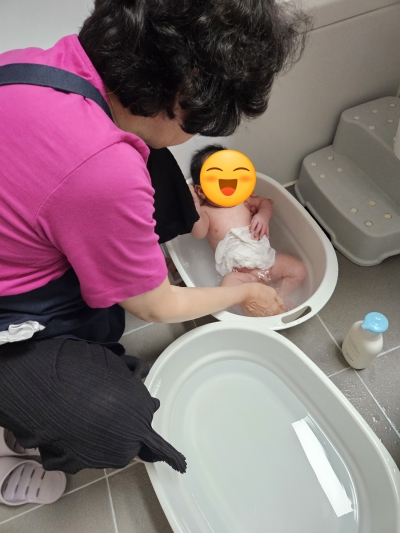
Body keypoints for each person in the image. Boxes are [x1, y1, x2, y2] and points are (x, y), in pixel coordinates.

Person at [0, 0, 311, 501]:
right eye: (200, 122)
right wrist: (241, 294)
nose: (195, 134)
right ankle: (21, 433)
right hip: (11, 317)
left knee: (155, 162)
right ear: (185, 90)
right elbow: (154, 305)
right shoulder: (105, 172)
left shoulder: (30, 64)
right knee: (116, 425)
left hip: (26, 241)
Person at [190, 145, 307, 314]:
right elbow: (198, 232)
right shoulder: (206, 212)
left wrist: (263, 215)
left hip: (268, 262)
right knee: (226, 288)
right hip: (240, 275)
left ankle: (279, 297)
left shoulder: (243, 199)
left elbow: (265, 203)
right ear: (201, 191)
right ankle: (255, 303)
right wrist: (194, 207)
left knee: (298, 270)